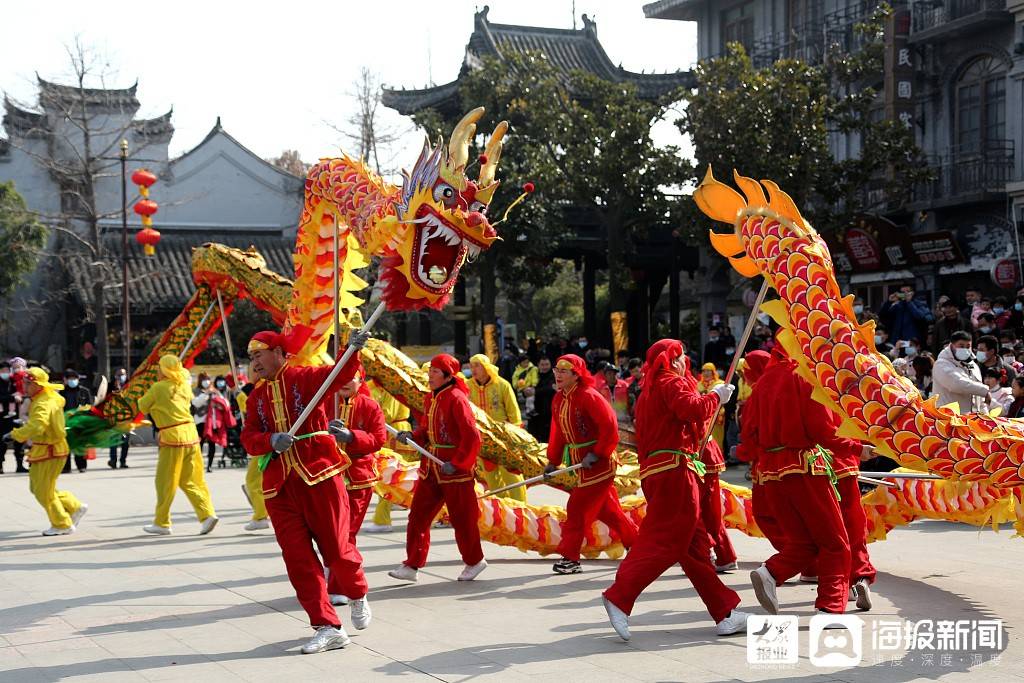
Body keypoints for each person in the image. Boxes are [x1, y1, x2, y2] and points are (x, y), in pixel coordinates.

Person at [601, 339, 748, 641]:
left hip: (663, 470)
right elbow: (691, 409)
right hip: (675, 470)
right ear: (670, 361)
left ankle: (725, 612)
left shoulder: (650, 390)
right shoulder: (670, 382)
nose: (684, 363)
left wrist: (711, 399)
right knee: (665, 541)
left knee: (694, 549)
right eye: (680, 357)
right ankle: (620, 594)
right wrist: (714, 397)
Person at [240, 328, 371, 654]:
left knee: (338, 552)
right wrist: (269, 440)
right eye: (252, 355)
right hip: (280, 488)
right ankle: (327, 625)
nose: (254, 361)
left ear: (280, 353)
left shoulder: (306, 378)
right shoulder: (256, 397)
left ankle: (357, 592)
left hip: (321, 476)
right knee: (298, 561)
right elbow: (248, 437)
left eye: (259, 353)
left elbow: (341, 373)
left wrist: (352, 350)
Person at [743, 345, 870, 616]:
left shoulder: (763, 382)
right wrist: (857, 448)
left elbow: (749, 433)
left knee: (804, 542)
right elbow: (822, 428)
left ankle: (771, 572)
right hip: (805, 466)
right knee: (835, 542)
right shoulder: (804, 374)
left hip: (770, 472)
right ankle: (830, 607)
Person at [389, 354, 487, 583]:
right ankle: (411, 565)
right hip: (431, 468)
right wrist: (412, 436)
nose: (429, 375)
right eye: (429, 370)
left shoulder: (456, 398)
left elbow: (472, 437)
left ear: (448, 375)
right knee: (417, 517)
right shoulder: (431, 398)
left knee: (462, 519)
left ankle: (474, 561)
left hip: (454, 470)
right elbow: (426, 430)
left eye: (435, 371)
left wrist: (460, 463)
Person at [544, 354, 638, 574]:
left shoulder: (589, 396)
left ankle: (570, 557)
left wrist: (598, 453)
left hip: (600, 464)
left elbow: (609, 427)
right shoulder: (559, 399)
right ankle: (637, 543)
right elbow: (558, 434)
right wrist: (553, 461)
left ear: (576, 375)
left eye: (563, 371)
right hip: (581, 464)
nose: (558, 374)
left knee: (576, 508)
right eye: (556, 370)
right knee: (609, 511)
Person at [137, 355, 218, 536]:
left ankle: (162, 522)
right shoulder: (184, 385)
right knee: (192, 480)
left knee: (165, 481)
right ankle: (207, 514)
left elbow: (142, 406)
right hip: (190, 435)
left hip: (172, 438)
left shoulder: (158, 388)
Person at [8, 367, 87, 535]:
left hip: (50, 450)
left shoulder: (43, 402)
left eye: (28, 383)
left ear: (38, 385)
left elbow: (37, 425)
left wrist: (15, 435)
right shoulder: (44, 398)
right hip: (45, 449)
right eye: (24, 382)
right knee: (38, 488)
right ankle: (74, 506)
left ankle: (62, 523)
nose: (25, 386)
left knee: (43, 490)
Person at [329, 370, 386, 605]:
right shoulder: (326, 403)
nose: (345, 382)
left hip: (358, 479)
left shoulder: (370, 406)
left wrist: (352, 436)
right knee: (331, 532)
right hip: (329, 476)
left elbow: (378, 439)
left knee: (347, 533)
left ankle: (342, 584)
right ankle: (334, 571)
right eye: (341, 376)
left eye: (351, 377)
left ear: (360, 381)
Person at [467, 353, 526, 501]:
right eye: (471, 366)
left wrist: (515, 435)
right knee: (491, 476)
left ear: (486, 367)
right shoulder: (468, 387)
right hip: (482, 439)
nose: (473, 369)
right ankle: (501, 511)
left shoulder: (502, 385)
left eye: (477, 365)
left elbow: (514, 412)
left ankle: (520, 509)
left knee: (511, 475)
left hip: (504, 437)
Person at [365, 377, 414, 533]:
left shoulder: (390, 387)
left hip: (394, 434)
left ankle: (382, 520)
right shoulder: (379, 386)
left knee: (388, 479)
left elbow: (388, 413)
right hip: (390, 433)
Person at [237, 382, 270, 531]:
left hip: (264, 443)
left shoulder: (263, 387)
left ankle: (260, 516)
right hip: (267, 441)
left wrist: (243, 400)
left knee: (253, 481)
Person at [932, 331, 989, 414]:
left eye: (968, 346)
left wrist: (985, 415)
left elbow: (979, 397)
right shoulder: (941, 364)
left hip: (970, 419)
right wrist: (985, 391)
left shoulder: (973, 365)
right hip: (947, 418)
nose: (965, 349)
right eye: (961, 346)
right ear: (952, 346)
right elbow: (957, 384)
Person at [60, 370, 93, 473]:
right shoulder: (61, 392)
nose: (72, 381)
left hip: (80, 421)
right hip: (65, 421)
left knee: (80, 444)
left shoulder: (84, 391)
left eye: (74, 378)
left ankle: (81, 466)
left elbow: (90, 406)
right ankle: (66, 467)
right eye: (69, 378)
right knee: (65, 445)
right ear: (65, 380)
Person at [200, 376, 236, 472]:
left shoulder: (225, 393)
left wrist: (220, 404)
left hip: (218, 423)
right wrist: (208, 395)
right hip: (206, 422)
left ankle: (209, 465)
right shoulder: (207, 392)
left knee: (214, 444)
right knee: (201, 444)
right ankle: (199, 464)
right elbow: (199, 403)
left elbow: (227, 405)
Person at [0, 360, 26, 473]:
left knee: (19, 441)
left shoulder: (14, 380)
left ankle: (20, 465)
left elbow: (23, 392)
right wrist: (12, 398)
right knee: (2, 442)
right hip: (2, 416)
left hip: (16, 415)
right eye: (2, 371)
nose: (5, 372)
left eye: (7, 370)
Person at [696, 364, 726, 450]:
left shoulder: (720, 384)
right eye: (704, 371)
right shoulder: (698, 385)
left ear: (713, 372)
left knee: (718, 438)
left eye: (708, 370)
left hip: (717, 415)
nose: (706, 373)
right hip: (703, 417)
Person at [527, 357, 556, 441]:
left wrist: (535, 391)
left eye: (547, 364)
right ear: (538, 365)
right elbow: (526, 386)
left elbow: (550, 388)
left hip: (547, 412)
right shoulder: (534, 375)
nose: (545, 367)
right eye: (542, 365)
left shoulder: (554, 376)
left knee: (546, 437)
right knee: (533, 437)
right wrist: (525, 392)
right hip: (533, 412)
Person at [108, 368, 130, 469]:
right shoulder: (110, 386)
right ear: (115, 375)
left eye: (123, 374)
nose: (121, 376)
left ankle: (123, 461)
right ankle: (113, 460)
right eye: (119, 374)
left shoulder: (130, 386)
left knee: (125, 442)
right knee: (113, 441)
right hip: (114, 418)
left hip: (126, 418)